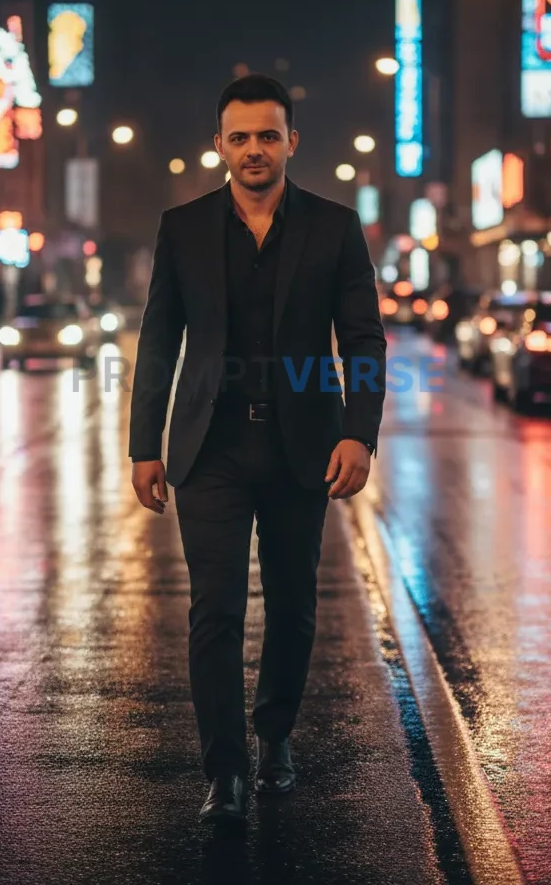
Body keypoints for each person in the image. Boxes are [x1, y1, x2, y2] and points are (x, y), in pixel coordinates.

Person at [128, 74, 387, 826]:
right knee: (214, 610)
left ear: (290, 143)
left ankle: (274, 738)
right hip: (209, 449)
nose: (253, 150)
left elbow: (363, 337)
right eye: (238, 137)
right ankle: (225, 769)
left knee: (295, 606)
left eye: (267, 135)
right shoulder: (182, 228)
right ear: (220, 145)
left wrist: (358, 432)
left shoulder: (335, 227)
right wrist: (146, 445)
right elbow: (157, 339)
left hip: (302, 446)